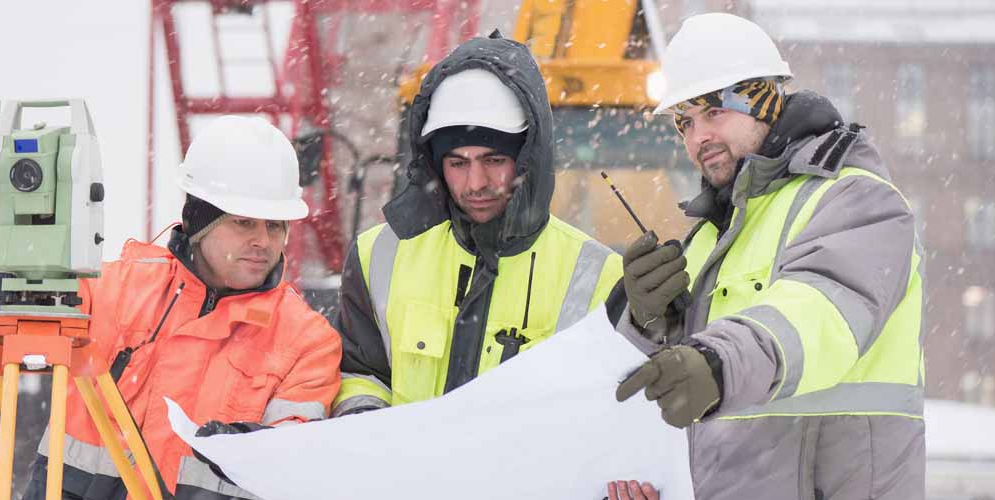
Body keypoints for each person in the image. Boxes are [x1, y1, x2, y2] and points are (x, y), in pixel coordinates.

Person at [614, 13, 925, 500]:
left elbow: (818, 315)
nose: (698, 139)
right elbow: (670, 387)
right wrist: (646, 322)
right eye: (685, 123)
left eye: (714, 113)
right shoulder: (707, 240)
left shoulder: (858, 201)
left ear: (763, 101)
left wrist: (715, 363)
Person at [332, 31, 651, 496]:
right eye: (457, 163)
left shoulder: (600, 274)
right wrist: (369, 427)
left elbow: (617, 416)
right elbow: (359, 371)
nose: (475, 182)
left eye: (494, 159)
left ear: (527, 159)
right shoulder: (378, 253)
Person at [0, 116, 342, 499]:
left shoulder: (307, 340)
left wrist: (251, 450)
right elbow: (7, 327)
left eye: (275, 226)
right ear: (199, 221)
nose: (263, 241)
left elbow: (297, 451)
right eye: (243, 222)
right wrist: (13, 275)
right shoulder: (118, 290)